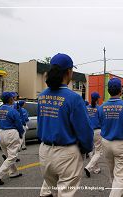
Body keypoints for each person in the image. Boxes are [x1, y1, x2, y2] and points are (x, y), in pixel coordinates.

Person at [38, 53, 93, 197]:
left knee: (54, 192)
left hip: (44, 152)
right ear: (69, 71)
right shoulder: (73, 98)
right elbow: (84, 130)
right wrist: (86, 149)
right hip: (66, 154)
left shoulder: (42, 96)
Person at [98, 78, 123, 197]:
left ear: (108, 90)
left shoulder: (101, 107)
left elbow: (100, 124)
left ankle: (117, 192)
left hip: (106, 142)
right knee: (120, 175)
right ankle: (116, 193)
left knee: (112, 171)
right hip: (121, 143)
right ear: (121, 91)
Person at [0, 92, 24, 185]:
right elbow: (18, 124)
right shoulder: (13, 111)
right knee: (12, 156)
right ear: (10, 99)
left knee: (8, 156)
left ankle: (14, 172)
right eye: (13, 98)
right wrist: (21, 134)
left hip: (1, 132)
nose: (14, 99)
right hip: (11, 133)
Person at [84, 92, 102, 177]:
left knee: (91, 151)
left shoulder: (86, 108)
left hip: (88, 131)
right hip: (97, 131)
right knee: (98, 152)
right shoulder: (99, 108)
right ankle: (89, 167)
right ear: (97, 99)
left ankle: (96, 169)